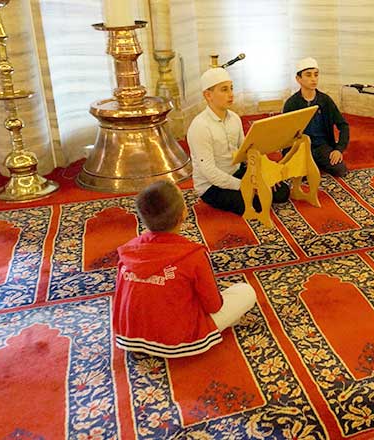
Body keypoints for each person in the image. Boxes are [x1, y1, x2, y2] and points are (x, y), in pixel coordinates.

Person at [113, 181, 257, 357]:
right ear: (184, 214)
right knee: (245, 291)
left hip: (129, 335)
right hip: (182, 339)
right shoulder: (193, 254)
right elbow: (213, 306)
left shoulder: (128, 250)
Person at [187, 67, 289, 216]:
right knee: (257, 203)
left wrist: (265, 175)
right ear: (208, 95)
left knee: (282, 191)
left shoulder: (234, 118)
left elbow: (246, 152)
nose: (231, 94)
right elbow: (209, 172)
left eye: (231, 88)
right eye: (224, 90)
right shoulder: (200, 127)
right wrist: (244, 185)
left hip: (237, 172)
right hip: (212, 186)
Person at [282, 57, 350, 178]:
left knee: (340, 170)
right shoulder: (292, 103)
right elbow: (284, 135)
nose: (313, 79)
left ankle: (315, 162)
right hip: (299, 148)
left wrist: (338, 149)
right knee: (298, 175)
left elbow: (343, 125)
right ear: (298, 79)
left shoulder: (325, 100)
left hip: (321, 146)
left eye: (316, 75)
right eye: (308, 75)